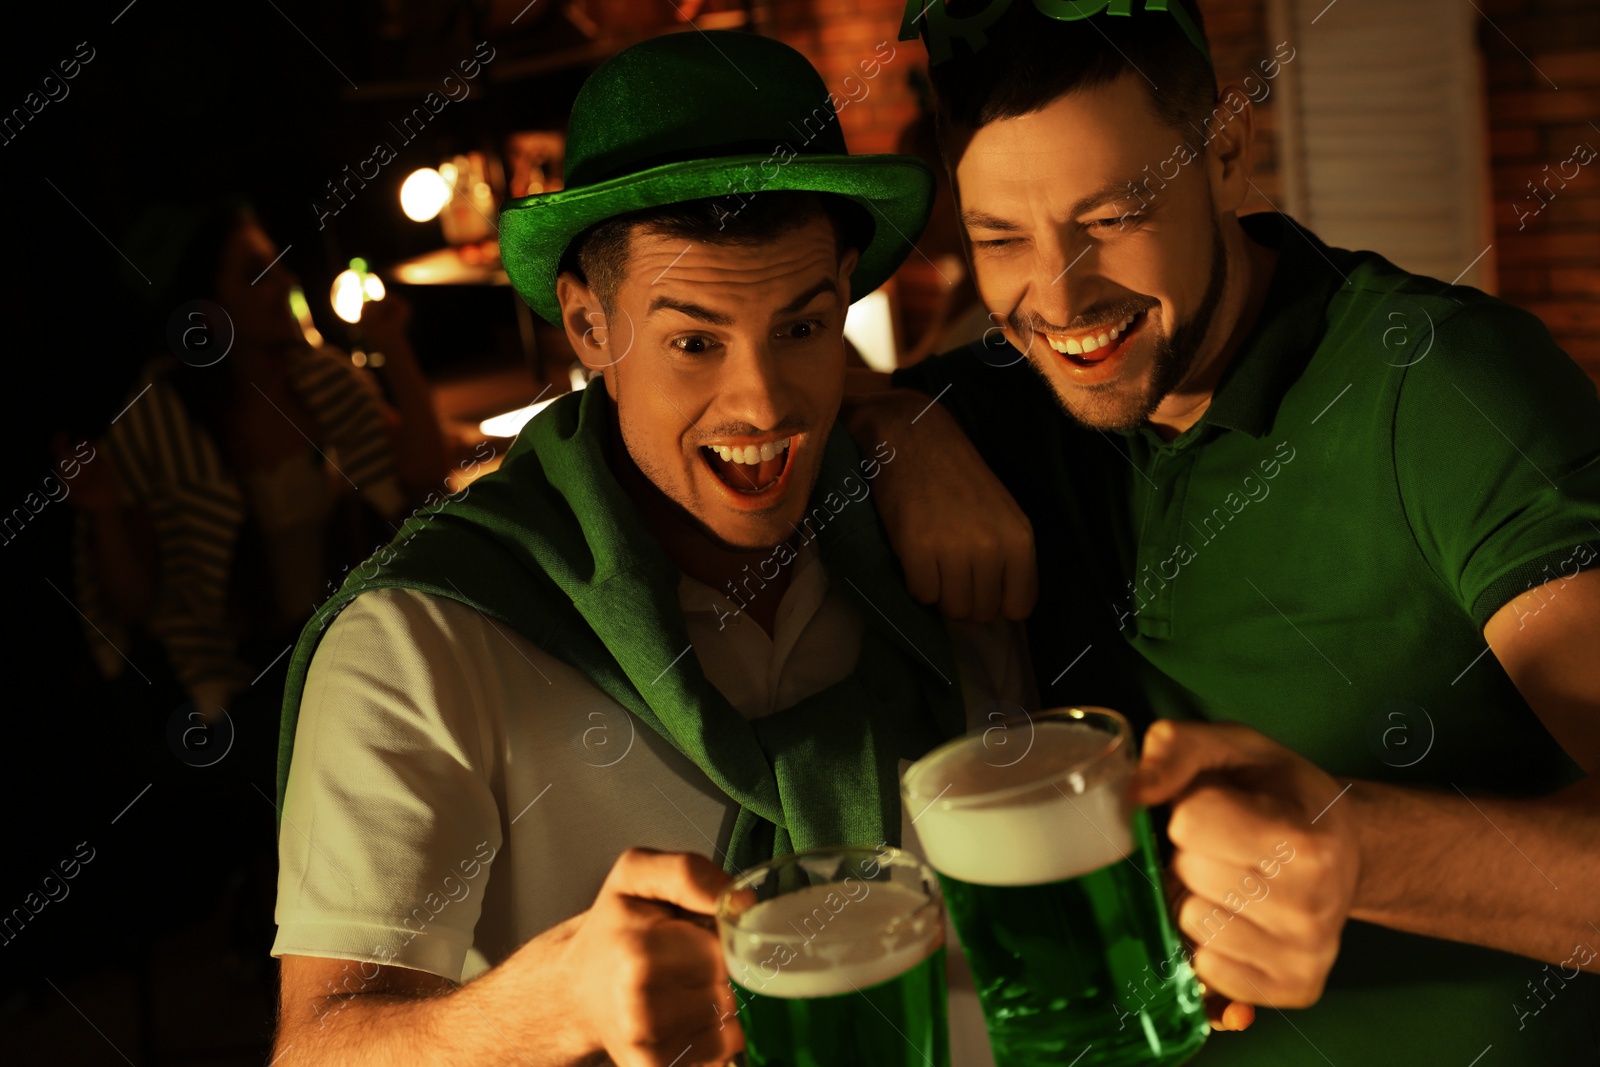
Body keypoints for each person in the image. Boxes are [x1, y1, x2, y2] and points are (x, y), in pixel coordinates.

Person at [845, 0, 1600, 1062]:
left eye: (1108, 218)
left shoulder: (1441, 383)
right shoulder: (1004, 401)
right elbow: (753, 372)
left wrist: (1359, 850)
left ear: (1228, 156)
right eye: (1000, 237)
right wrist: (890, 419)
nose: (1058, 298)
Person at [269, 31, 1025, 1067]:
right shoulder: (421, 637)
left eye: (801, 329)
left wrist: (907, 420)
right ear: (587, 327)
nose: (762, 402)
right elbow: (315, 1050)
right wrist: (542, 1008)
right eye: (693, 341)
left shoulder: (939, 533)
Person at [74, 198, 447, 718]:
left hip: (345, 646)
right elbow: (135, 604)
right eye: (257, 274)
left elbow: (424, 482)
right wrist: (105, 508)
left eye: (277, 264)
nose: (285, 281)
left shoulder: (321, 380)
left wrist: (394, 347)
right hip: (230, 687)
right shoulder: (155, 421)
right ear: (203, 311)